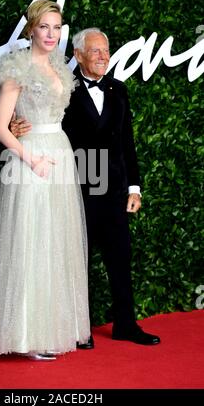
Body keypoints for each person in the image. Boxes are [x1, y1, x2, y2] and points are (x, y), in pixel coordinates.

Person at [12, 28, 160, 347]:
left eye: (106, 51)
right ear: (78, 55)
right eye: (95, 51)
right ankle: (79, 331)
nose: (103, 57)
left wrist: (135, 188)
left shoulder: (119, 90)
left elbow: (127, 143)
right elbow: (42, 121)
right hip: (75, 187)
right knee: (74, 262)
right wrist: (15, 125)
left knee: (120, 258)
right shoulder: (63, 88)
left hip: (115, 190)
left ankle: (126, 325)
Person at [0, 0, 90, 361]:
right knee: (30, 240)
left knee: (56, 242)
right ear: (31, 30)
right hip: (31, 158)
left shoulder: (60, 67)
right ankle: (24, 335)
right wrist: (31, 157)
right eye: (45, 27)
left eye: (57, 28)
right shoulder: (17, 68)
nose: (51, 34)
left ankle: (52, 331)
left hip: (60, 151)